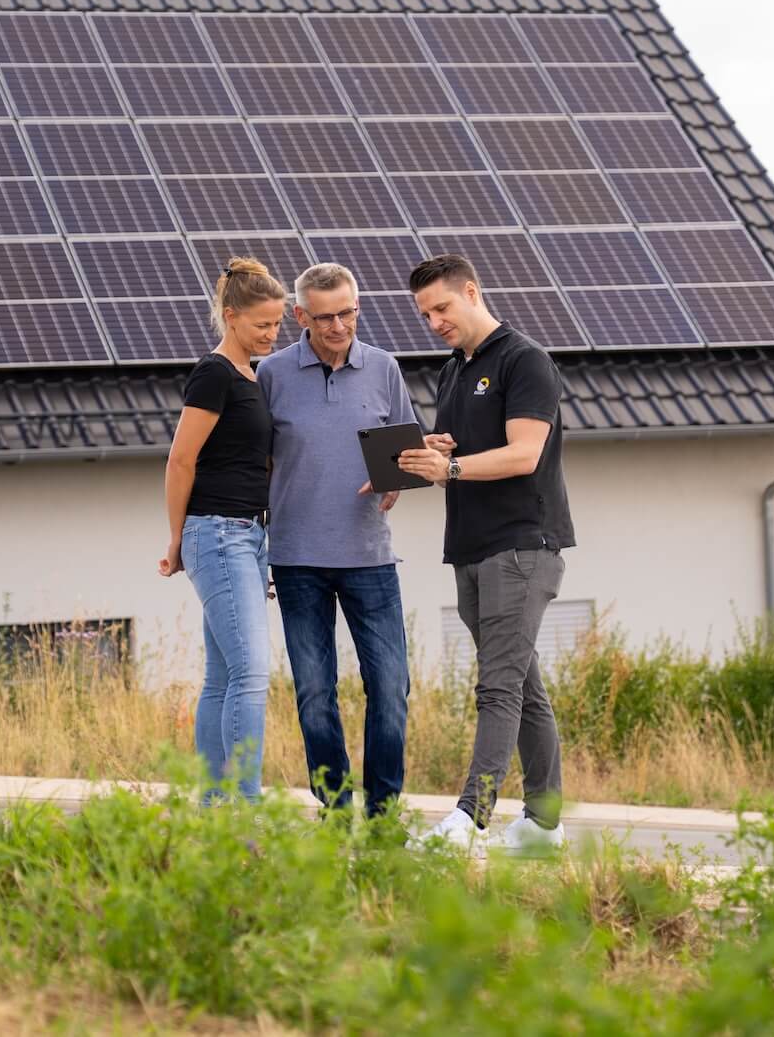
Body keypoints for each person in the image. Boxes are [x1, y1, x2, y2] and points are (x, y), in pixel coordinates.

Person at [398, 254, 573, 855]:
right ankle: (545, 826)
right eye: (425, 314)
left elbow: (524, 454)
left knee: (497, 686)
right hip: (471, 546)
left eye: (442, 308)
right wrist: (433, 452)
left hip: (522, 545)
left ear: (471, 292)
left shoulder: (525, 361)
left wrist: (448, 465)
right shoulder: (452, 371)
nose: (435, 322)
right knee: (523, 687)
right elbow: (467, 456)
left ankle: (469, 821)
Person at [259, 262, 417, 817]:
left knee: (391, 691)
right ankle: (335, 810)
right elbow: (255, 463)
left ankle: (383, 816)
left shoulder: (385, 368)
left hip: (369, 558)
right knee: (315, 696)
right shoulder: (271, 375)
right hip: (296, 559)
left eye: (347, 313)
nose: (337, 326)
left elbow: (406, 451)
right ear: (300, 316)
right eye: (324, 317)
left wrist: (397, 476)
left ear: (358, 307)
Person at [159, 256, 290, 800]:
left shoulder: (253, 377)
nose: (272, 334)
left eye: (278, 324)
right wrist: (176, 539)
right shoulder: (214, 373)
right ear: (230, 316)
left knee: (223, 676)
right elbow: (181, 460)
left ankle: (215, 808)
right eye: (262, 325)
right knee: (253, 675)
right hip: (216, 532)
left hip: (249, 537)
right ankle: (242, 806)